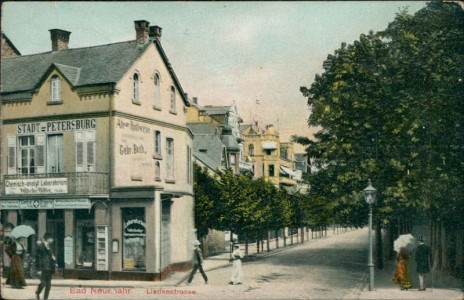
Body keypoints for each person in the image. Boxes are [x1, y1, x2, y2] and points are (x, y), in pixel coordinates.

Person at [35, 233, 56, 300]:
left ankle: (45, 298)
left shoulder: (49, 246)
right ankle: (38, 292)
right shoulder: (40, 246)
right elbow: (38, 258)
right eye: (51, 238)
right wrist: (38, 269)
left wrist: (54, 262)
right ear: (48, 239)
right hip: (43, 268)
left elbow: (51, 256)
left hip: (49, 268)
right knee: (43, 283)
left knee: (48, 285)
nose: (52, 240)